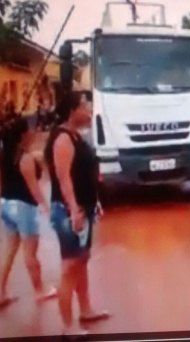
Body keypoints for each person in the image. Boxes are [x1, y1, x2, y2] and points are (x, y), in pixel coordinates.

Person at [44, 91, 109, 335]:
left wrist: (95, 202)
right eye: (84, 105)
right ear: (72, 110)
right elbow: (63, 180)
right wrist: (74, 210)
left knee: (81, 261)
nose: (88, 109)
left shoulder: (76, 136)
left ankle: (86, 310)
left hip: (85, 207)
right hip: (70, 211)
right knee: (70, 267)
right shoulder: (62, 139)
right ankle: (68, 326)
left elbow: (85, 176)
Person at [0, 117, 57, 309]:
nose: (35, 132)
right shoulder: (25, 158)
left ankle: (1, 291)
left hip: (6, 203)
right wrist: (46, 208)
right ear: (24, 134)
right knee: (30, 252)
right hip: (24, 206)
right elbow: (34, 187)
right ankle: (40, 290)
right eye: (32, 129)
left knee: (10, 251)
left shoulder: (7, 154)